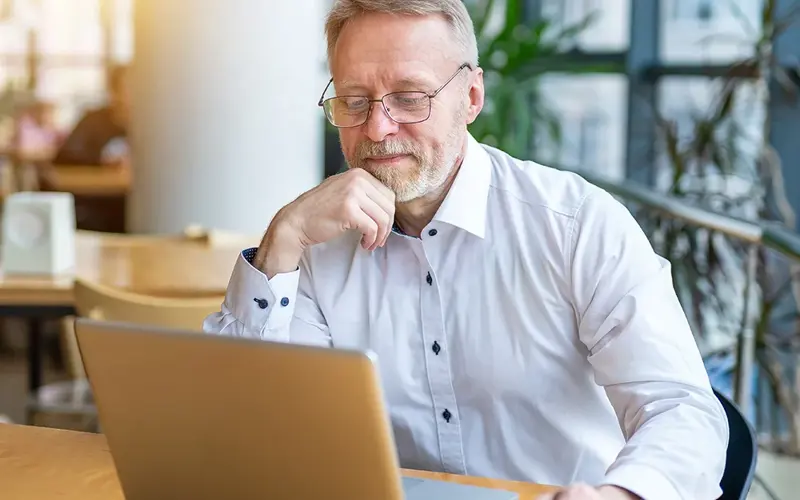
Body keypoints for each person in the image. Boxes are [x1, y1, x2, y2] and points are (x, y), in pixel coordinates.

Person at [203, 1, 728, 498]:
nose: (379, 128)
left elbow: (681, 411)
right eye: (355, 100)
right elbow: (258, 430)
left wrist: (619, 495)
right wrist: (283, 237)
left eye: (410, 98)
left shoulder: (576, 225)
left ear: (471, 98)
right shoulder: (315, 248)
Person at [52, 65, 129, 166]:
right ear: (114, 92)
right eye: (126, 88)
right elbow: (64, 159)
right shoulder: (92, 122)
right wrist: (101, 163)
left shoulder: (152, 127)